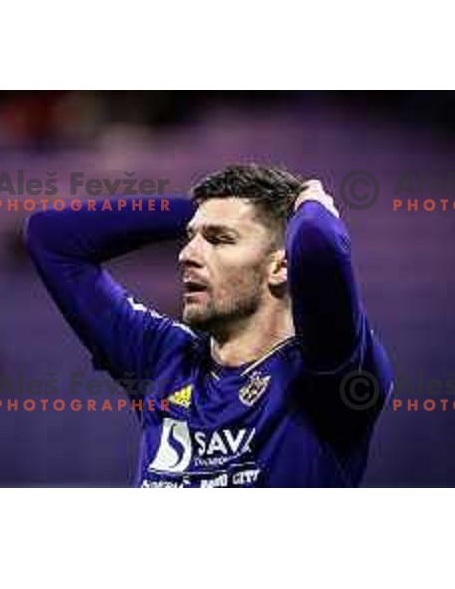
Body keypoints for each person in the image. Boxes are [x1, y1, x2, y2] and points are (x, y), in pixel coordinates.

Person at [24, 164, 393, 487]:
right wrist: (208, 208)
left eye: (219, 239)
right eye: (190, 237)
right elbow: (51, 236)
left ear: (281, 267)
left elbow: (318, 241)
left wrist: (309, 201)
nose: (186, 255)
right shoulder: (163, 361)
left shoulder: (326, 372)